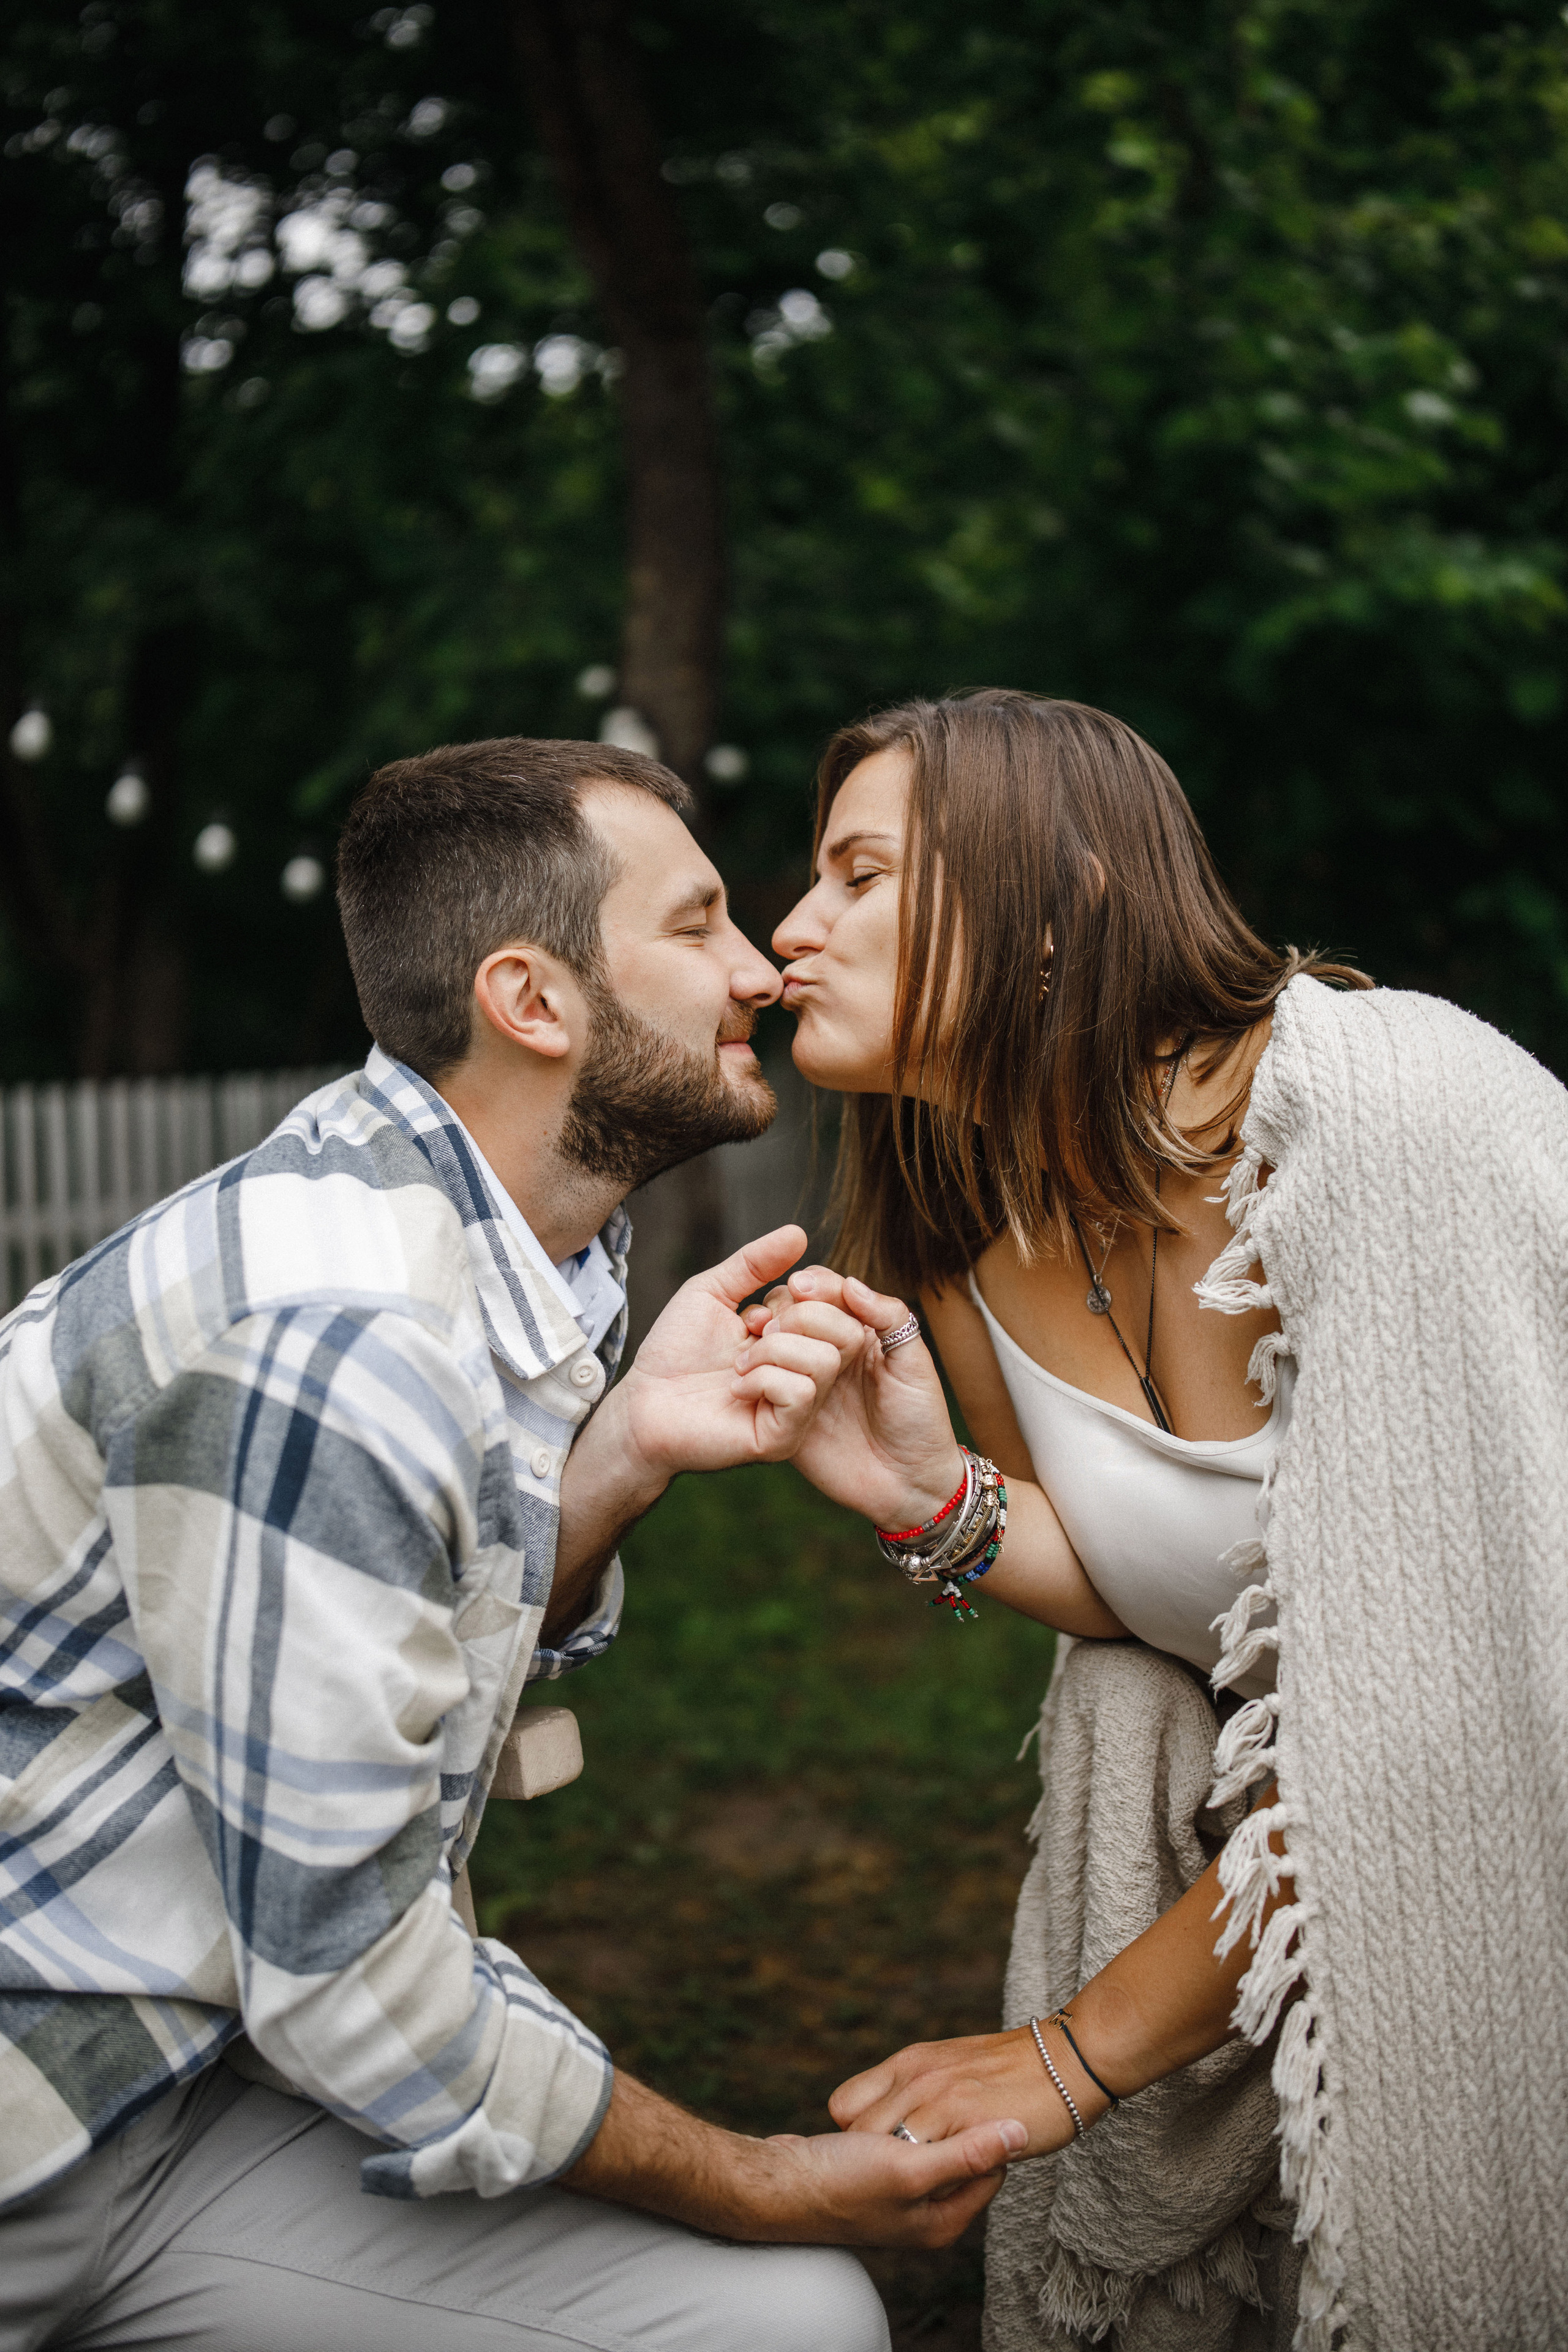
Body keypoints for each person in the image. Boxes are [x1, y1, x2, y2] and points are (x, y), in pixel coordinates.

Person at [0, 736, 1027, 2352]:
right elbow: (354, 1982)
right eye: (697, 926)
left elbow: (391, 1666)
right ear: (533, 1005)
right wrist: (765, 2176)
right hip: (41, 2128)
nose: (759, 968)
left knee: (783, 2328)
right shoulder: (331, 1340)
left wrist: (608, 1459)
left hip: (182, 2076)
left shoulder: (451, 1241)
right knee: (788, 2282)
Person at [753, 691, 1568, 2352]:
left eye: (858, 874)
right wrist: (936, 1501)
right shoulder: (956, 1223)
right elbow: (1159, 1609)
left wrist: (1074, 2054)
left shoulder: (1384, 1123)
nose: (789, 926)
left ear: (1054, 913)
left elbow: (1430, 1728)